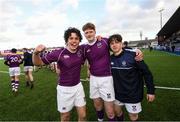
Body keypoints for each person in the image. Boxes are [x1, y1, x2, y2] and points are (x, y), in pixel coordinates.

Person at [82, 22, 143, 121]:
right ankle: (100, 120)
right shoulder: (84, 47)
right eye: (86, 32)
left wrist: (136, 50)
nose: (89, 34)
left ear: (95, 32)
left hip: (106, 79)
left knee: (110, 112)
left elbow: (118, 46)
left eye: (91, 31)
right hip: (93, 79)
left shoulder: (104, 41)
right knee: (97, 104)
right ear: (84, 34)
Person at [32, 27, 86, 121]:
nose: (74, 41)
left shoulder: (81, 50)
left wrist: (98, 37)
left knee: (83, 115)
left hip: (78, 87)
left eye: (76, 38)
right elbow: (38, 63)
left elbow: (92, 44)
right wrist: (35, 53)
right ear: (66, 40)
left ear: (79, 40)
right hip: (64, 90)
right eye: (71, 38)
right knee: (65, 117)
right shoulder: (59, 53)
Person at [108, 34, 155, 121]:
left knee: (133, 117)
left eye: (117, 42)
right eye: (112, 43)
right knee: (117, 112)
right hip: (117, 94)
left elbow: (147, 73)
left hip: (133, 94)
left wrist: (151, 91)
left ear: (121, 44)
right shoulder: (110, 59)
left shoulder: (134, 55)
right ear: (110, 46)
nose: (114, 45)